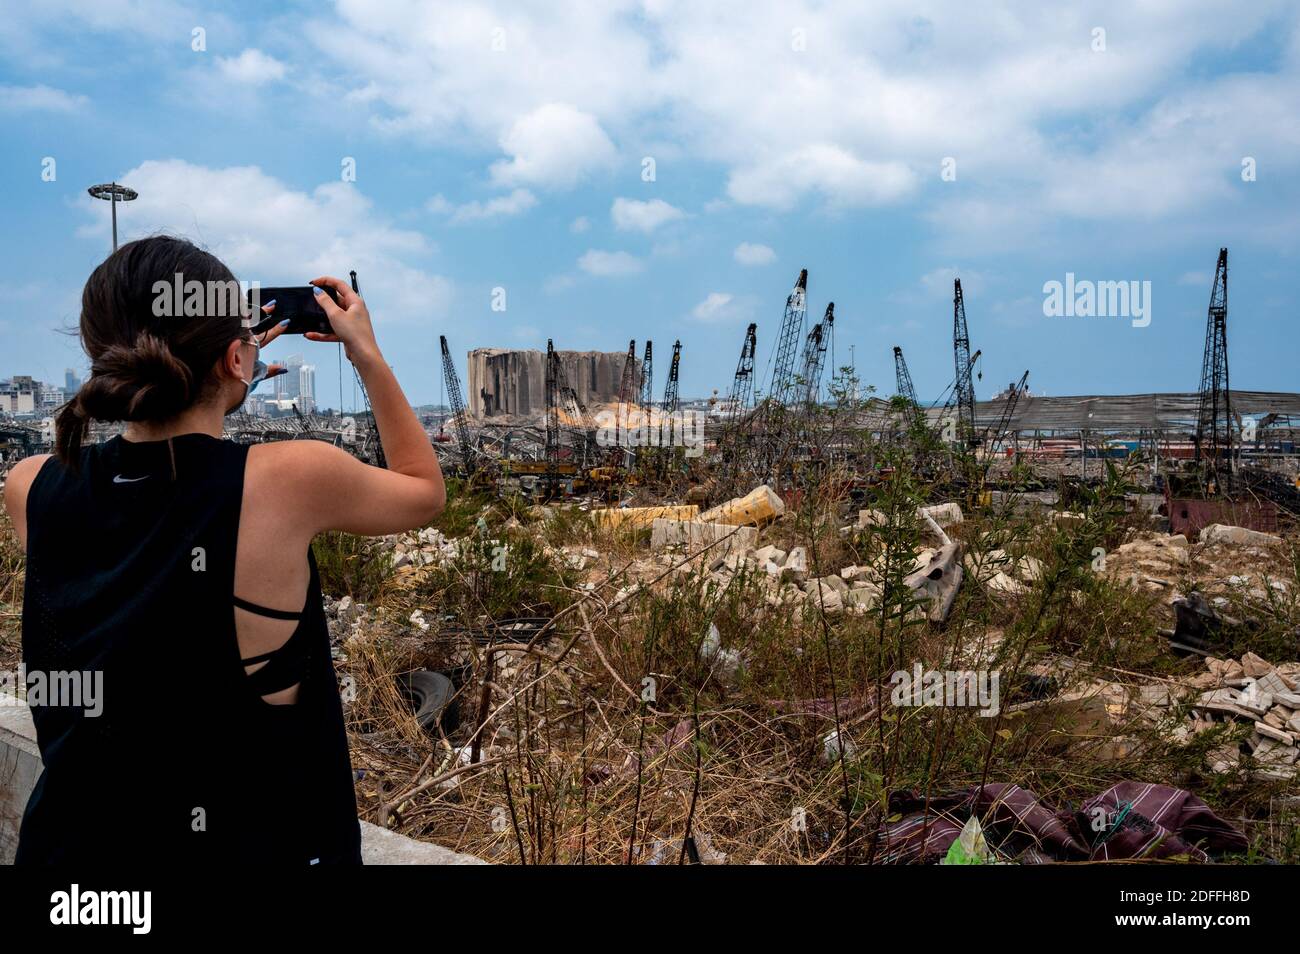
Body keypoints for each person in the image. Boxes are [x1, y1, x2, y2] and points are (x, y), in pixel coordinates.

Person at [2, 236, 445, 863]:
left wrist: (230, 363)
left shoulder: (31, 485)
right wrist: (364, 352)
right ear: (234, 359)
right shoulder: (286, 479)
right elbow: (423, 490)